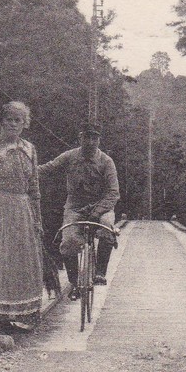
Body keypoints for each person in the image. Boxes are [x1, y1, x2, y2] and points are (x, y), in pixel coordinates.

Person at [0, 101, 45, 331]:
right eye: (9, 119)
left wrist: (37, 220)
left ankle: (13, 318)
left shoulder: (29, 149)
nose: (13, 124)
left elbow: (34, 189)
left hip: (23, 213)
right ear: (0, 121)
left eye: (18, 120)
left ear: (25, 123)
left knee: (21, 264)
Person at [39, 121, 120, 298]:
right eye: (86, 137)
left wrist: (98, 211)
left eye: (94, 138)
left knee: (107, 227)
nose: (90, 142)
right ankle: (74, 283)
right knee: (68, 241)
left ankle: (100, 272)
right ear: (80, 138)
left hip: (102, 205)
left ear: (99, 140)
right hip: (75, 206)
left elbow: (114, 192)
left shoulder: (106, 162)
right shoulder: (69, 156)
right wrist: (27, 170)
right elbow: (49, 168)